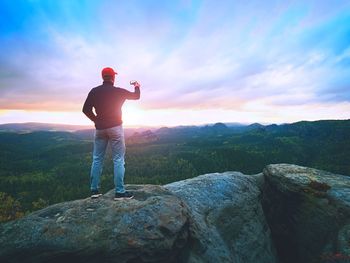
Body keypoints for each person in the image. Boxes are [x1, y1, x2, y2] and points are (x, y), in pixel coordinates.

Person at [82, 67, 140, 200]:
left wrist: (96, 120)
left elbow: (85, 109)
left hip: (100, 129)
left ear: (103, 77)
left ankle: (94, 191)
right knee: (118, 159)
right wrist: (137, 86)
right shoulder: (118, 91)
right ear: (113, 77)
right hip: (115, 128)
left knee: (97, 159)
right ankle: (120, 192)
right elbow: (136, 96)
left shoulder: (94, 91)